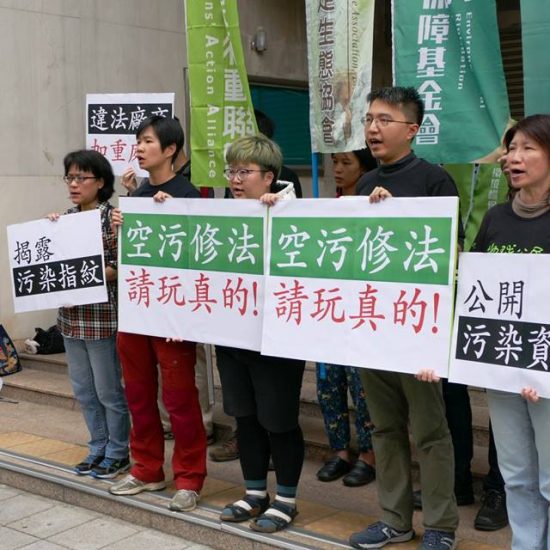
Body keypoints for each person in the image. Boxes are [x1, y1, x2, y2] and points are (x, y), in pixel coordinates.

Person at [349, 87, 459, 550]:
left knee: (430, 432)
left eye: (384, 120)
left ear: (412, 129)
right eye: (369, 119)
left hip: (419, 328)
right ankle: (395, 519)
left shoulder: (435, 180)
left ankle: (440, 526)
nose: (372, 128)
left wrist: (396, 214)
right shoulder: (362, 185)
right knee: (384, 427)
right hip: (374, 325)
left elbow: (449, 253)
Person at [109, 116, 207, 513]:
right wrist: (121, 226)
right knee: (137, 394)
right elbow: (130, 255)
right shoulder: (137, 194)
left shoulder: (188, 195)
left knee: (180, 399)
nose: (139, 147)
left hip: (173, 314)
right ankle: (147, 469)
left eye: (148, 141)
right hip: (136, 308)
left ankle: (189, 477)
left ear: (170, 149)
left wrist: (176, 216)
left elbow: (200, 254)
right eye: (138, 140)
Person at [216, 134, 305, 533]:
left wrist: (280, 208)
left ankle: (286, 499)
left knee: (279, 420)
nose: (235, 179)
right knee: (245, 418)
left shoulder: (292, 214)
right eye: (231, 171)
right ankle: (254, 492)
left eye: (244, 172)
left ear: (269, 177)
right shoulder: (220, 216)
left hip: (277, 340)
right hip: (232, 335)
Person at [470, 114, 550, 550]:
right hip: (502, 366)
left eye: (527, 148)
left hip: (546, 373)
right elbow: (478, 287)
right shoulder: (496, 218)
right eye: (511, 149)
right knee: (517, 474)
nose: (513, 158)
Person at [49, 149, 130, 479]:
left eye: (81, 177)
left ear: (100, 182)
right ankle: (97, 446)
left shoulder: (112, 219)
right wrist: (48, 231)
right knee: (83, 390)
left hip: (101, 319)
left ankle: (118, 452)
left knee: (109, 391)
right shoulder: (64, 220)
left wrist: (86, 277)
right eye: (69, 177)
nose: (73, 184)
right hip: (70, 321)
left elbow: (121, 266)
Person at [316, 148, 377, 487]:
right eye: (334, 163)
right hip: (329, 309)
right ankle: (339, 451)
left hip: (364, 311)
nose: (337, 169)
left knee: (361, 386)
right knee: (328, 382)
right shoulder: (326, 208)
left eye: (346, 163)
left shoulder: (375, 207)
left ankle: (368, 456)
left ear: (365, 169)